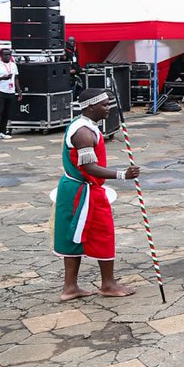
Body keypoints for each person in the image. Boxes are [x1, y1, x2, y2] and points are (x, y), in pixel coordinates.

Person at [52, 89, 141, 300]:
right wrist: (122, 175)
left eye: (109, 103)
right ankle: (108, 285)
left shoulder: (86, 126)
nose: (108, 107)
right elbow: (90, 167)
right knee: (102, 233)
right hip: (82, 192)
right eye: (104, 104)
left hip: (79, 189)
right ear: (91, 107)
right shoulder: (83, 133)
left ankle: (70, 288)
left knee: (74, 236)